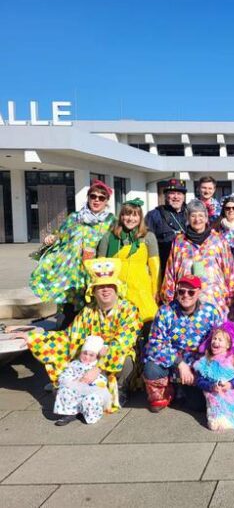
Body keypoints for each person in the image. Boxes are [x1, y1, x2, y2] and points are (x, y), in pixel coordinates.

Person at [23, 258, 141, 410]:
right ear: (93, 291)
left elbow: (122, 344)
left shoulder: (130, 310)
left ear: (116, 288)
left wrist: (97, 369)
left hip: (114, 360)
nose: (105, 290)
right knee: (71, 351)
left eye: (109, 286)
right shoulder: (88, 311)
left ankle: (120, 389)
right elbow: (68, 337)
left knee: (126, 360)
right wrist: (32, 337)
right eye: (100, 287)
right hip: (90, 359)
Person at [30, 180, 115, 328]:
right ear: (88, 198)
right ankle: (64, 341)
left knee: (92, 310)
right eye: (93, 196)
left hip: (94, 274)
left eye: (101, 198)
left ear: (106, 201)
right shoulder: (75, 218)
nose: (96, 200)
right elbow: (60, 234)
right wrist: (52, 238)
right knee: (67, 313)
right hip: (71, 275)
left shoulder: (111, 221)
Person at [143, 275, 223, 413]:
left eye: (191, 292)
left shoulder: (210, 312)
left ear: (199, 292)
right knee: (151, 368)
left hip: (198, 365)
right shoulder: (165, 312)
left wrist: (202, 365)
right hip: (173, 363)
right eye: (181, 291)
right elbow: (155, 344)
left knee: (197, 406)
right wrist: (179, 363)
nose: (186, 295)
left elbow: (222, 340)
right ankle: (165, 392)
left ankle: (184, 390)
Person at [161, 199, 234, 318]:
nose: (197, 219)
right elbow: (170, 273)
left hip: (215, 302)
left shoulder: (219, 240)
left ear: (206, 217)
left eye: (200, 215)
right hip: (186, 301)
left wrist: (233, 301)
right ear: (188, 218)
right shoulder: (179, 242)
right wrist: (169, 299)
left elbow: (230, 271)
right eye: (193, 216)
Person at [97, 198, 159, 323]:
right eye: (127, 214)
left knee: (147, 325)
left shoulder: (148, 236)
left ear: (140, 218)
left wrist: (155, 291)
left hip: (141, 291)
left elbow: (155, 267)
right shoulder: (109, 237)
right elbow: (100, 268)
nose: (130, 219)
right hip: (116, 291)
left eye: (135, 215)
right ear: (121, 216)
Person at [194, 321, 234, 431]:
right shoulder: (205, 362)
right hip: (216, 401)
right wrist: (211, 386)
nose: (216, 341)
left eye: (220, 340)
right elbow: (200, 381)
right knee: (217, 425)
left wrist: (231, 384)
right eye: (214, 339)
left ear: (228, 345)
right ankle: (220, 418)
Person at [52, 335, 113, 426]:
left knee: (91, 399)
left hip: (91, 390)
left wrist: (91, 382)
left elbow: (102, 380)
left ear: (96, 356)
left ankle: (90, 414)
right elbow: (64, 375)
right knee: (64, 391)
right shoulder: (74, 364)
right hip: (75, 387)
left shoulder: (97, 365)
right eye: (84, 353)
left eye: (91, 355)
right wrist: (72, 380)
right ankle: (69, 413)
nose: (87, 357)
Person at [145, 178, 188, 269]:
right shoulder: (153, 215)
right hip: (164, 266)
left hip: (187, 266)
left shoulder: (192, 214)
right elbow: (146, 243)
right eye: (172, 193)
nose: (176, 197)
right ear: (165, 195)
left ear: (183, 197)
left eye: (179, 193)